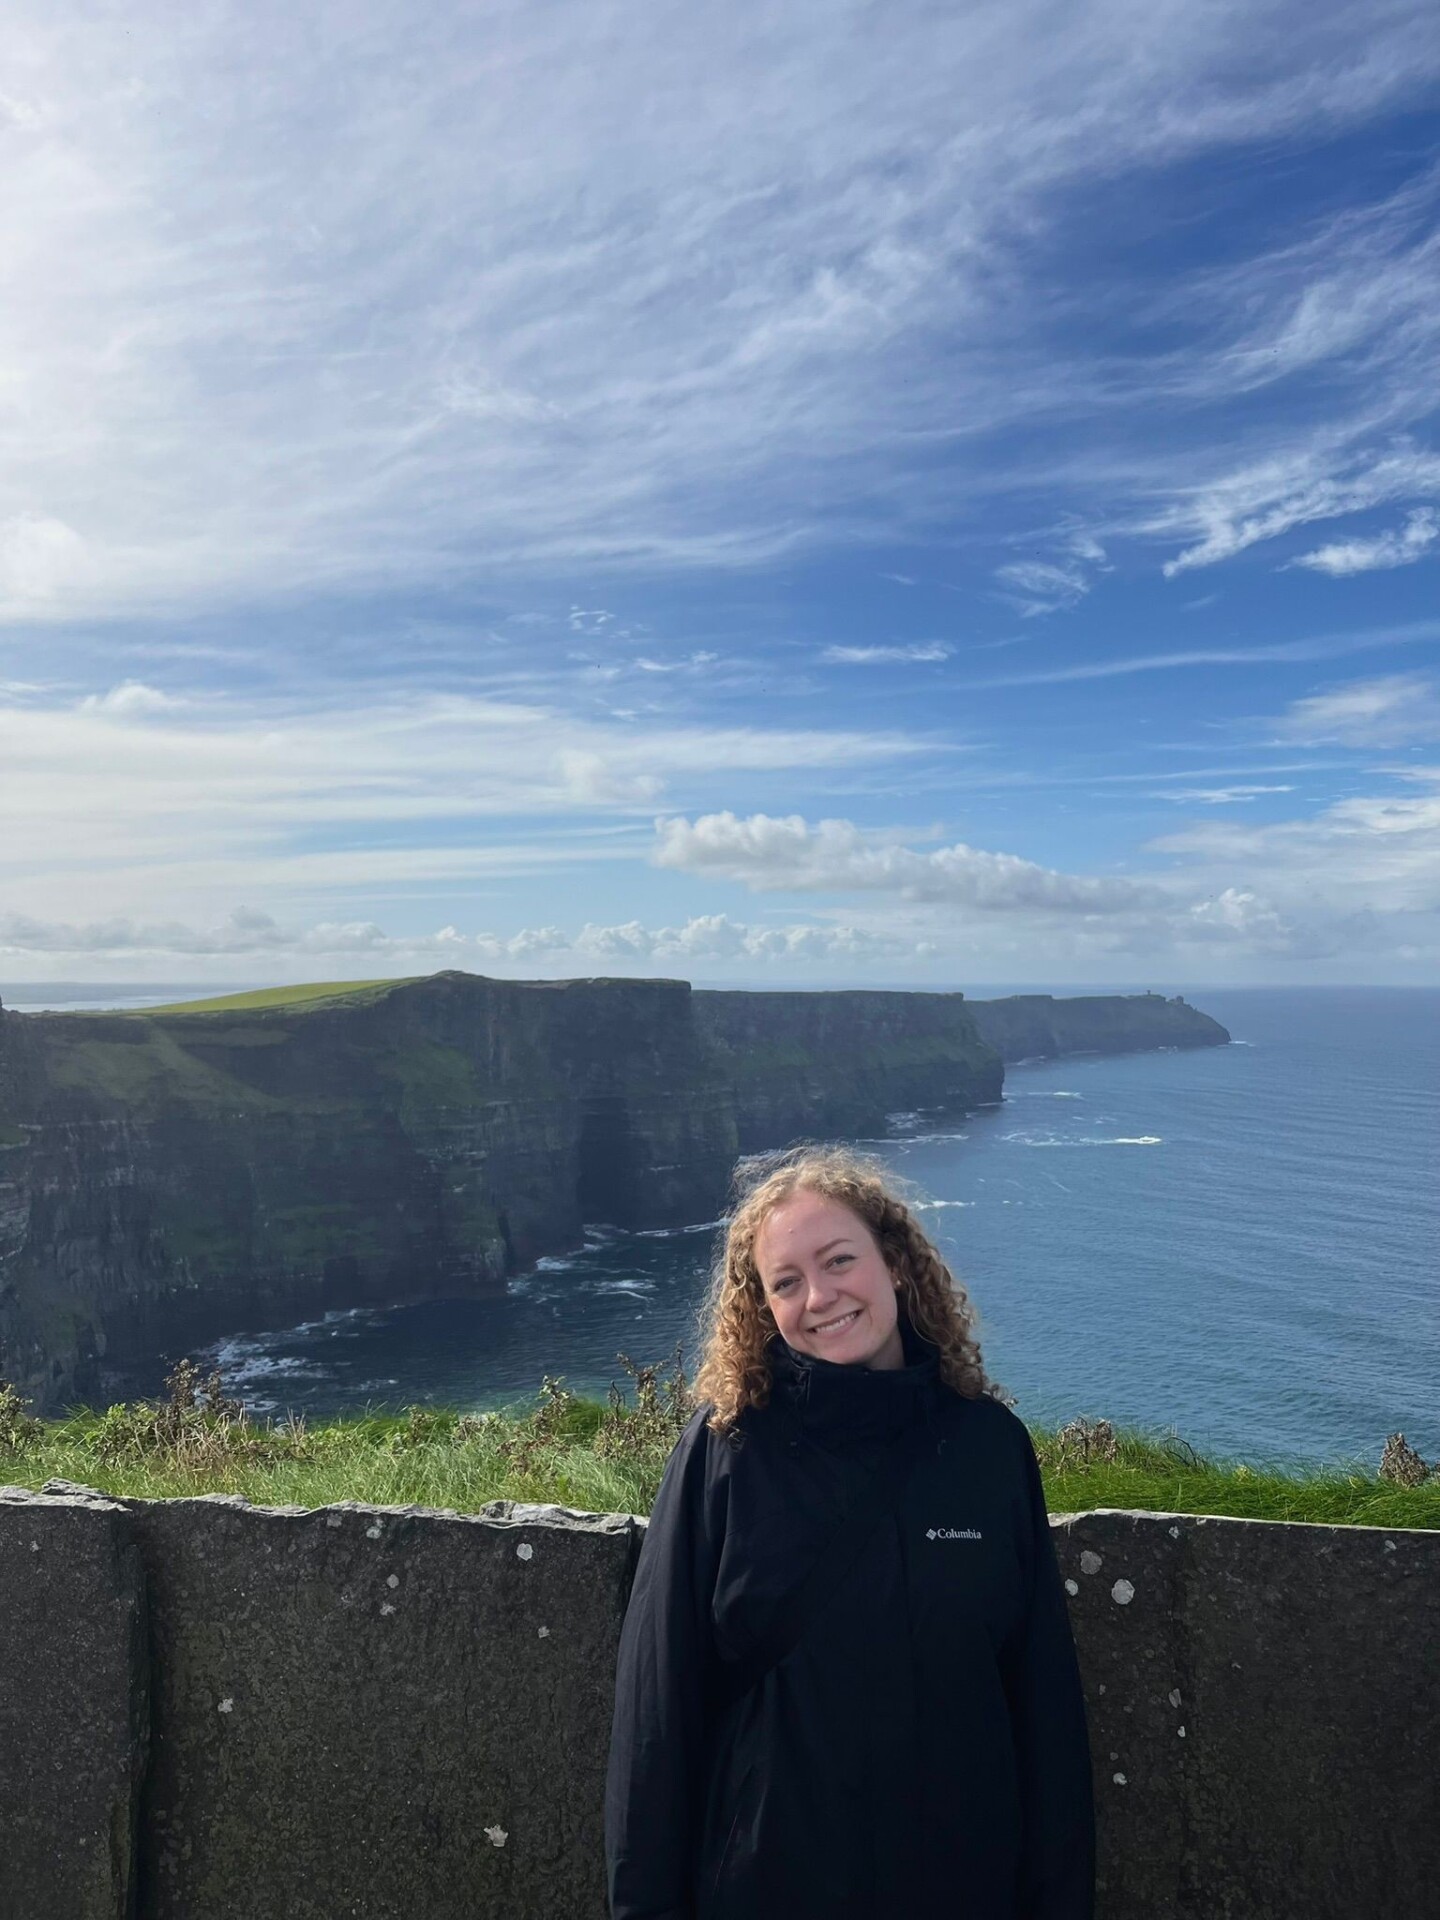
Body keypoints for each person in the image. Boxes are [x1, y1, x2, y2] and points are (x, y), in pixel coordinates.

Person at [604, 1146, 1095, 1920]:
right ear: (763, 1309)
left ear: (894, 1263)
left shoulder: (988, 1449)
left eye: (839, 1261)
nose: (820, 1297)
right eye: (786, 1283)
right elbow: (656, 1711)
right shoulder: (725, 1451)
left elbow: (1044, 1709)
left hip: (960, 1891)